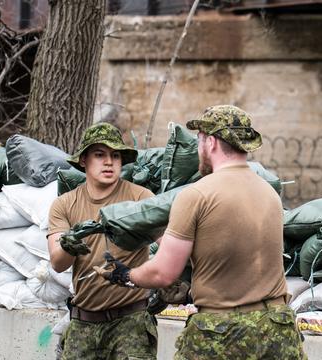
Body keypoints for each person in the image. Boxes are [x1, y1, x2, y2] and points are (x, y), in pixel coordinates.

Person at [95, 105, 307, 360]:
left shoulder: (195, 195)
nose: (198, 149)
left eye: (199, 141)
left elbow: (163, 273)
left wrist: (125, 275)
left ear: (212, 142)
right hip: (279, 332)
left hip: (223, 334)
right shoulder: (269, 192)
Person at [47, 122, 158, 360]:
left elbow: (169, 244)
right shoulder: (65, 204)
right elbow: (57, 263)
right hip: (83, 323)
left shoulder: (140, 198)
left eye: (115, 155)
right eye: (100, 155)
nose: (109, 162)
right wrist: (70, 244)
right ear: (84, 160)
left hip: (131, 323)